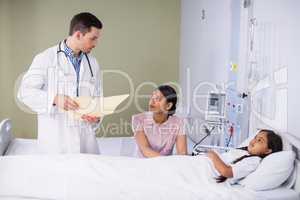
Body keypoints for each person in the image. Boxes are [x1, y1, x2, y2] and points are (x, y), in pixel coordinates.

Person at [18, 12, 103, 154]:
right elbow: (24, 93)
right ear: (78, 35)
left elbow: (98, 97)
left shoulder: (93, 63)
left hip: (86, 142)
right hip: (56, 142)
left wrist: (96, 116)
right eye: (93, 38)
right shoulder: (46, 58)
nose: (95, 44)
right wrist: (54, 99)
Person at [206, 129, 283, 183]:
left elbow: (226, 172)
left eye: (260, 140)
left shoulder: (253, 161)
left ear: (268, 150)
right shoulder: (245, 152)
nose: (254, 141)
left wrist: (213, 155)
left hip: (208, 171)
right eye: (255, 138)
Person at [132, 85, 187, 158]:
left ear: (168, 106)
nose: (152, 101)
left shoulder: (179, 123)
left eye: (157, 98)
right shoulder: (138, 119)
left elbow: (182, 154)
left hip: (165, 167)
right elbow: (145, 149)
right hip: (143, 164)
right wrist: (168, 163)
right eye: (152, 97)